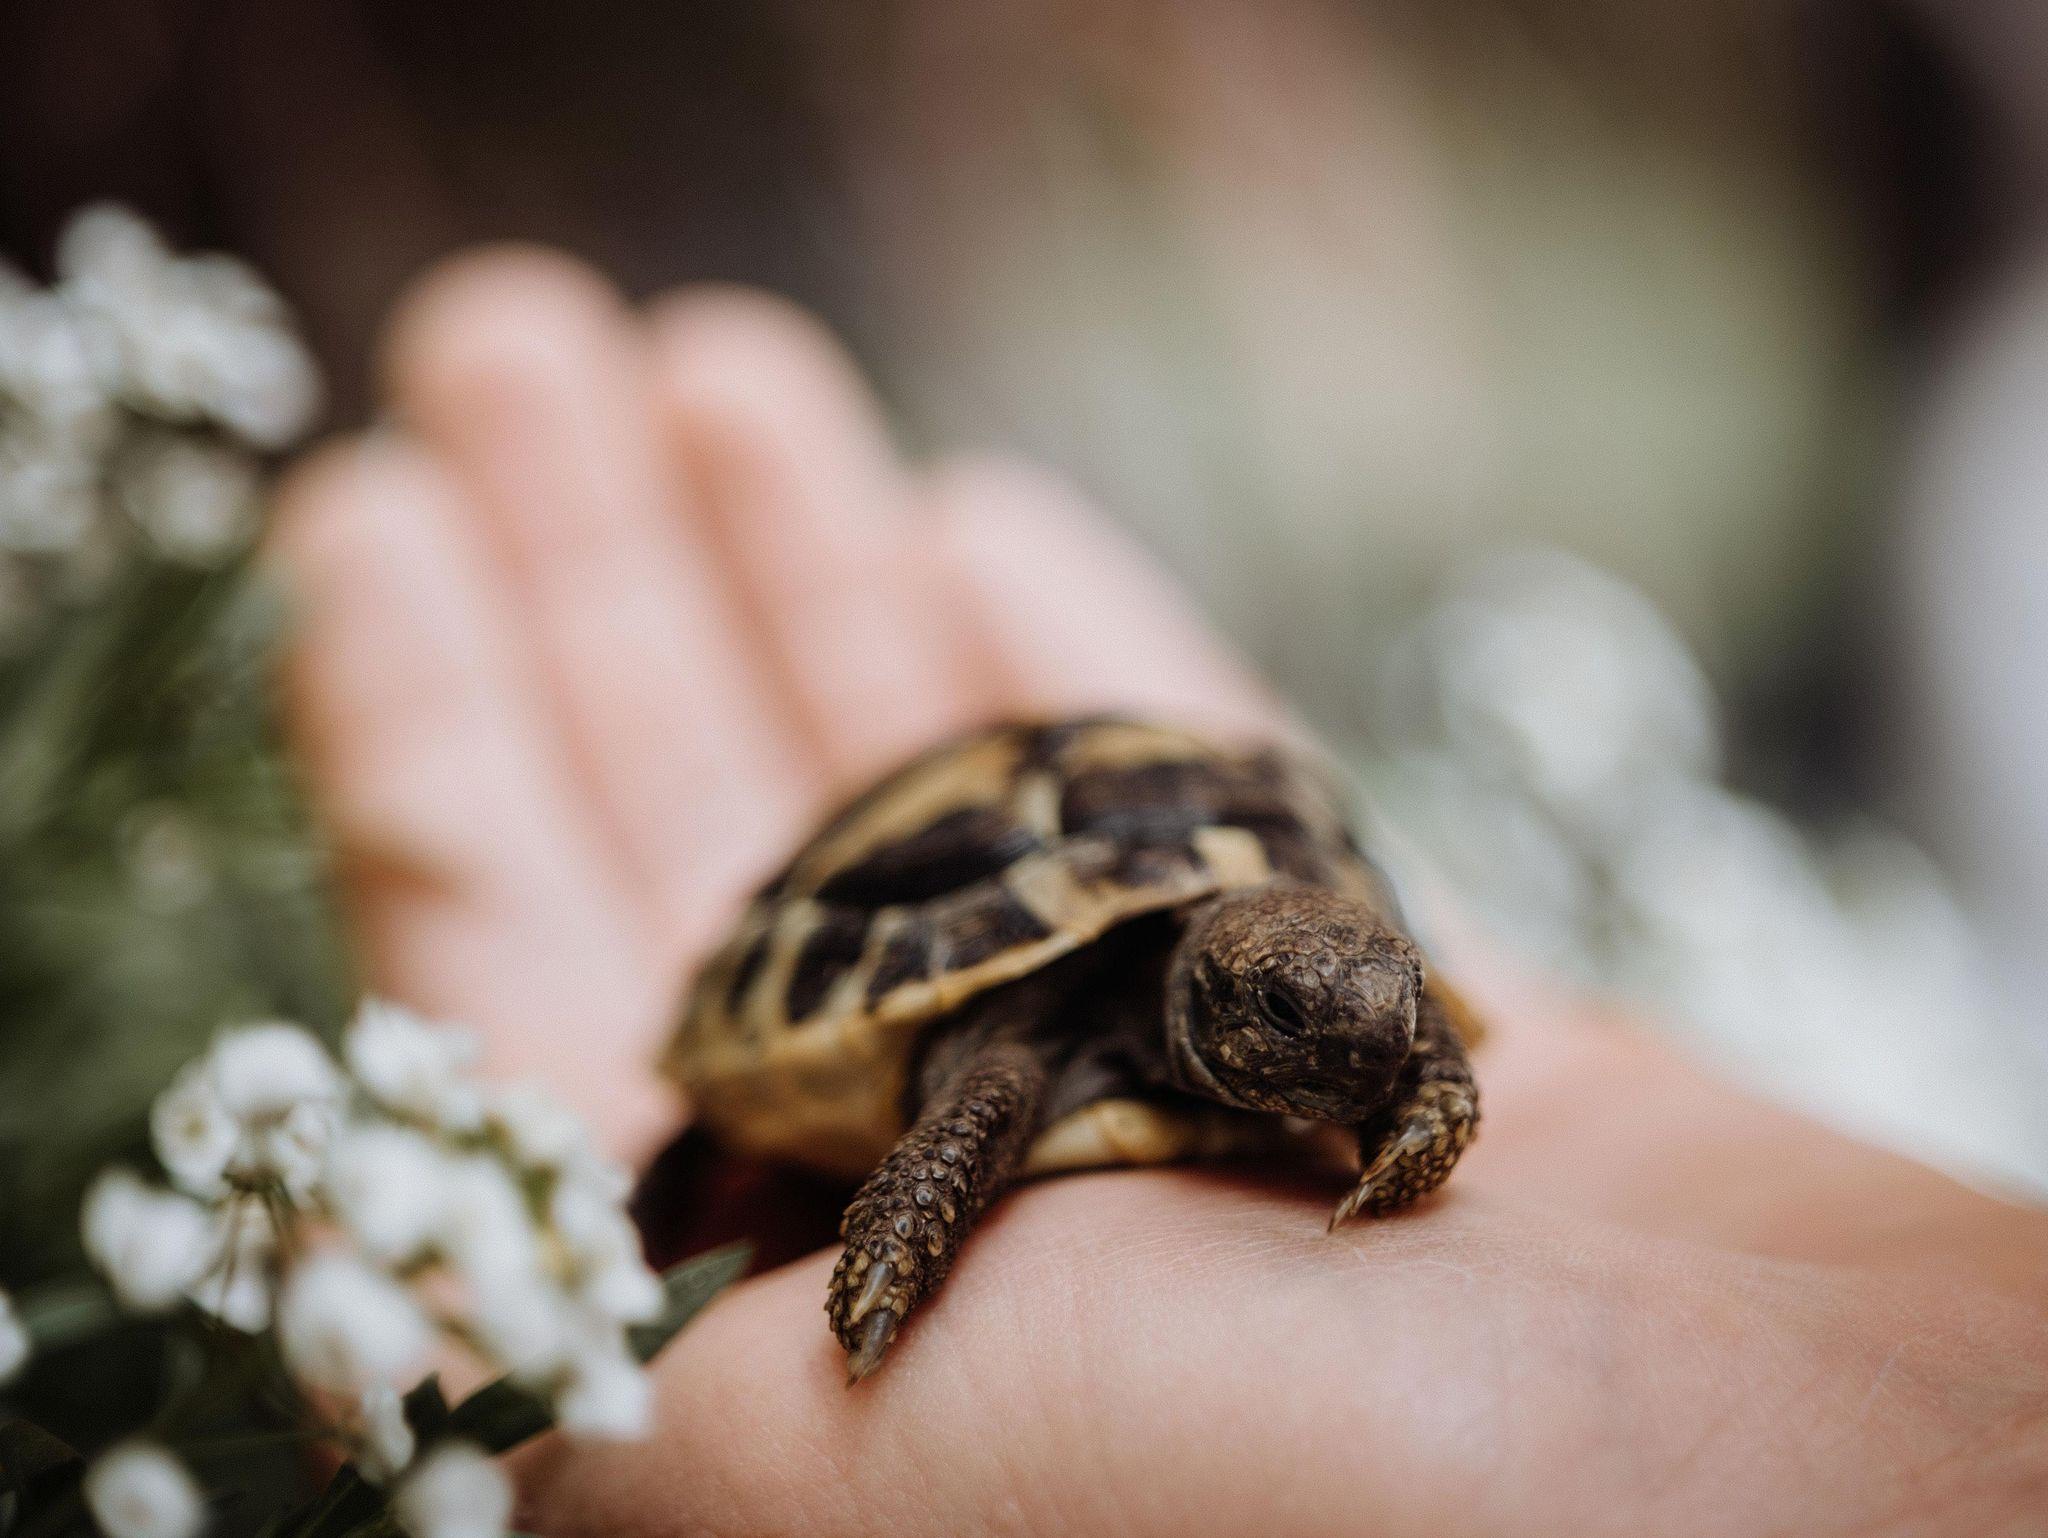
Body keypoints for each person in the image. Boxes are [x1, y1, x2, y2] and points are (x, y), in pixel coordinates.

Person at [271, 248, 2048, 1536]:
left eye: (1382, 1008)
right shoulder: (1031, 1035)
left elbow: (1401, 1038)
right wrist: (897, 1229)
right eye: (1296, 1012)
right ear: (1206, 988)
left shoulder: (1354, 999)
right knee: (894, 1116)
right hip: (980, 1007)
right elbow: (989, 1081)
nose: (1363, 1042)